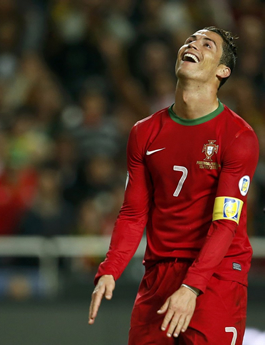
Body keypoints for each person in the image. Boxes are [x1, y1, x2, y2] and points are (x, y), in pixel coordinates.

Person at [88, 26, 259, 345]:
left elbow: (225, 224)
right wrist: (111, 268)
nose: (193, 45)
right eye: (190, 40)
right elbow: (133, 214)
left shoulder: (238, 137)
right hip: (160, 273)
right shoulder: (144, 133)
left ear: (223, 71)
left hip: (217, 274)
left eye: (207, 44)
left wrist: (192, 286)